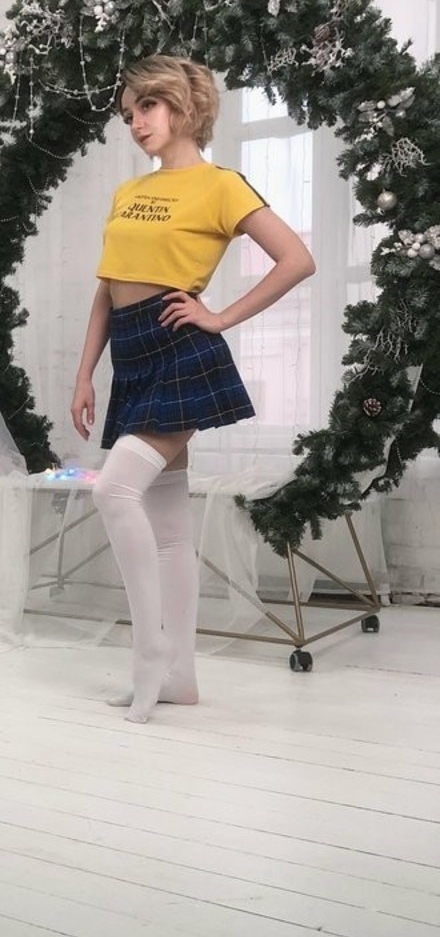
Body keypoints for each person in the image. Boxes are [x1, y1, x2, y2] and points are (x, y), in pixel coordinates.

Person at [71, 55, 315, 724]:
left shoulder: (220, 185)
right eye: (128, 114)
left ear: (182, 106)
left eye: (147, 106)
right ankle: (181, 676)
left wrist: (220, 316)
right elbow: (106, 290)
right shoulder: (128, 192)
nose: (135, 122)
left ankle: (150, 651)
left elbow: (297, 259)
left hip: (179, 347)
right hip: (130, 350)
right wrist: (85, 372)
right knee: (170, 527)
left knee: (114, 491)